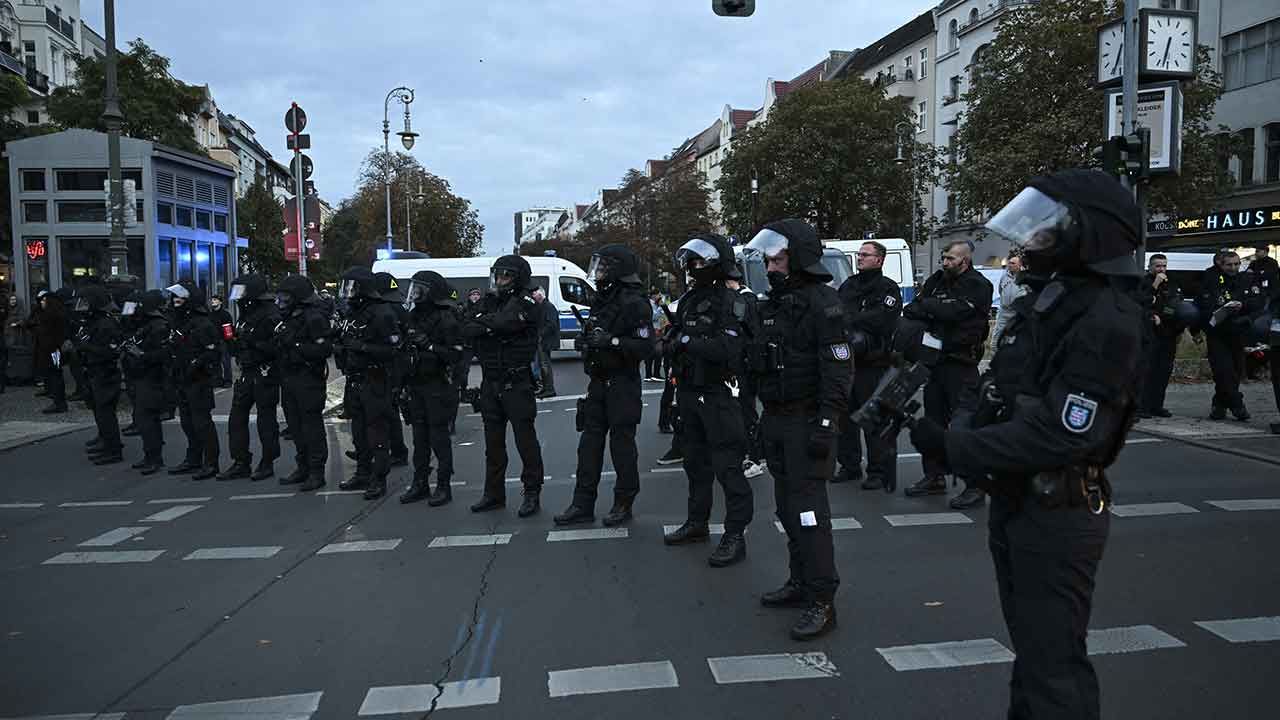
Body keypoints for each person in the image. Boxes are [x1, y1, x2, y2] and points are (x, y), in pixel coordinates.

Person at [909, 169, 1143, 720]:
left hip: (1057, 510)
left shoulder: (1106, 317)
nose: (1028, 241)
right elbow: (1000, 389)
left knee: (1053, 667)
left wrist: (953, 449)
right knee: (1033, 658)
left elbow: (1063, 432)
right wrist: (964, 425)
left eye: (1043, 228)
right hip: (1020, 501)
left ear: (1083, 235)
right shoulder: (1053, 302)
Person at [746, 220, 852, 640]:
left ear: (800, 259)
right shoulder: (774, 306)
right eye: (768, 258)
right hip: (777, 418)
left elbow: (838, 370)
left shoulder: (824, 304)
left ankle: (823, 600)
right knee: (788, 510)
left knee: (810, 515)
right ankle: (799, 581)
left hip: (807, 420)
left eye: (779, 258)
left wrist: (827, 424)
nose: (771, 266)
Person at [661, 233, 753, 567]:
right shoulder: (688, 300)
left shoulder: (734, 302)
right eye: (691, 262)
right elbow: (675, 337)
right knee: (695, 464)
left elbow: (728, 350)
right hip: (689, 391)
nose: (692, 267)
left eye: (699, 262)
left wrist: (687, 340)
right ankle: (697, 523)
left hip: (718, 393)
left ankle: (734, 535)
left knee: (728, 467)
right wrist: (673, 342)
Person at [554, 244, 654, 527]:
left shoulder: (635, 303)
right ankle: (582, 503)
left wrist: (612, 342)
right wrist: (584, 343)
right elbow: (594, 334)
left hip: (622, 383)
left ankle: (623, 502)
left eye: (603, 266)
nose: (597, 272)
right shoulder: (602, 299)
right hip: (597, 383)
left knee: (622, 448)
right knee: (588, 447)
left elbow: (646, 346)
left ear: (618, 269)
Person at [902, 240, 993, 509]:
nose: (945, 262)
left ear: (964, 261)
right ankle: (934, 475)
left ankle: (976, 485)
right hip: (935, 362)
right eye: (944, 258)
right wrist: (938, 308)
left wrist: (934, 309)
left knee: (965, 425)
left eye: (951, 259)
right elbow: (913, 308)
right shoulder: (937, 280)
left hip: (961, 363)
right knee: (933, 421)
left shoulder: (978, 284)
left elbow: (958, 312)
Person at [461, 255, 545, 518]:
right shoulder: (491, 300)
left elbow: (506, 323)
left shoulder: (528, 302)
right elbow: (465, 324)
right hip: (491, 382)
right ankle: (493, 493)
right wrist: (488, 325)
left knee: (525, 442)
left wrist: (486, 325)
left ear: (518, 277)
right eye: (497, 275)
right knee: (493, 444)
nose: (499, 281)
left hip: (516, 382)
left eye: (505, 276)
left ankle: (532, 493)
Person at [835, 240, 902, 490]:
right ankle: (850, 465)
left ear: (879, 259)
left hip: (874, 363)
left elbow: (882, 321)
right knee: (844, 418)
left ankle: (877, 470)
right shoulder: (850, 285)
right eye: (859, 254)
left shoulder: (888, 288)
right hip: (847, 361)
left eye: (865, 254)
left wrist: (853, 319)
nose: (860, 258)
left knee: (872, 418)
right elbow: (835, 313)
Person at [335, 267, 402, 500]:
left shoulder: (382, 313)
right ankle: (363, 472)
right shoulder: (352, 313)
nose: (347, 293)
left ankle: (379, 478)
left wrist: (363, 348)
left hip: (375, 379)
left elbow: (393, 349)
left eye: (351, 287)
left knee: (377, 432)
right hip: (354, 379)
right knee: (358, 432)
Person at [399, 271, 462, 506]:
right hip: (416, 384)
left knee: (439, 437)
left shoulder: (446, 318)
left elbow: (456, 355)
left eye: (419, 289)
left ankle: (443, 485)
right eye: (413, 288)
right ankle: (420, 482)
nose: (414, 293)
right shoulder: (413, 316)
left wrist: (431, 345)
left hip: (437, 384)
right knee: (419, 438)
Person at [218, 275, 282, 481]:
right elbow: (239, 342)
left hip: (264, 372)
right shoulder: (245, 314)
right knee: (236, 419)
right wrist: (233, 342)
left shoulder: (271, 315)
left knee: (266, 420)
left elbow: (277, 347)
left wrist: (253, 343)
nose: (237, 298)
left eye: (241, 293)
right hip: (247, 372)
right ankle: (240, 461)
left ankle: (267, 462)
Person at [275, 275, 332, 492]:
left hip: (308, 378)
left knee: (311, 426)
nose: (281, 303)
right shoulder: (288, 318)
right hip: (289, 378)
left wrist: (296, 345)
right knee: (295, 426)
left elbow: (323, 350)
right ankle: (303, 466)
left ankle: (317, 471)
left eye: (286, 298)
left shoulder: (314, 318)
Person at [1197, 250, 1266, 420]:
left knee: (1234, 373)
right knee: (1223, 371)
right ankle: (1238, 405)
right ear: (1221, 264)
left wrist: (1242, 306)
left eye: (1236, 264)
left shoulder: (1246, 279)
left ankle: (1218, 406)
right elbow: (1204, 304)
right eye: (1229, 264)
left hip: (1239, 332)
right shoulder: (1210, 279)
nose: (1234, 267)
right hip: (1218, 332)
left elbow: (1258, 301)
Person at [165, 282, 222, 480]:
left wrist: (195, 365)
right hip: (182, 378)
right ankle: (194, 458)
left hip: (198, 379)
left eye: (179, 299)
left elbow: (213, 352)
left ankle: (211, 462)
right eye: (174, 299)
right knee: (187, 422)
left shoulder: (202, 323)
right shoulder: (179, 321)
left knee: (201, 422)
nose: (174, 302)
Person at [124, 290, 172, 474]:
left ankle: (155, 457)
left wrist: (141, 355)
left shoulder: (158, 326)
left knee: (147, 419)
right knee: (145, 419)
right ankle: (150, 455)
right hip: (143, 376)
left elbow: (163, 355)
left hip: (153, 378)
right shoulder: (146, 324)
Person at [77, 285, 125, 465]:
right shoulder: (93, 321)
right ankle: (106, 442)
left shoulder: (106, 323)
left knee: (106, 413)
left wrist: (85, 347)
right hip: (95, 371)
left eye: (85, 302)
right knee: (99, 410)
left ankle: (113, 449)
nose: (81, 306)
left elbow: (111, 352)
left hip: (105, 373)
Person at [725, 270, 765, 479]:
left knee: (746, 411)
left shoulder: (745, 300)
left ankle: (754, 457)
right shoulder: (747, 298)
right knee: (742, 410)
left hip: (745, 364)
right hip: (742, 363)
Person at [1137, 254, 1182, 418]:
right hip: (1149, 333)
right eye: (1157, 266)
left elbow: (1174, 305)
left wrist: (1165, 315)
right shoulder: (1143, 282)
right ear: (1150, 266)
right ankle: (1141, 406)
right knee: (1147, 370)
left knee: (1163, 371)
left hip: (1167, 332)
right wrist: (1154, 286)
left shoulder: (1171, 284)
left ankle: (1157, 405)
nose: (1161, 269)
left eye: (1164, 266)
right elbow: (1141, 302)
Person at [375, 272, 410, 468]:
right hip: (397, 364)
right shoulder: (398, 307)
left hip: (392, 365)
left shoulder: (388, 310)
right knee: (388, 409)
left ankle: (395, 450)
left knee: (387, 410)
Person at [32, 290, 68, 413]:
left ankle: (59, 402)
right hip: (53, 350)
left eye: (43, 301)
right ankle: (58, 401)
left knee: (55, 374)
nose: (42, 303)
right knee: (55, 374)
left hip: (53, 350)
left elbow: (50, 335)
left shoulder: (52, 316)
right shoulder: (53, 314)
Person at [990, 250, 1028, 348]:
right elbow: (1000, 290)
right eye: (1009, 263)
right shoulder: (1004, 277)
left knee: (1015, 340)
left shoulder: (1025, 277)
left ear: (1020, 265)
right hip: (1004, 312)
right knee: (996, 340)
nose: (1009, 265)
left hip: (1018, 313)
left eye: (1013, 263)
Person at [531, 286, 560, 398]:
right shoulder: (541, 306)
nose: (533, 296)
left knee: (545, 365)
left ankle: (550, 389)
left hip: (545, 341)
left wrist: (540, 334)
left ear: (540, 295)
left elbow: (551, 324)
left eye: (534, 294)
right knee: (542, 365)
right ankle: (545, 388)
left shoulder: (548, 306)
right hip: (542, 340)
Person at [210, 294, 234, 388]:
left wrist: (229, 341)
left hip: (223, 341)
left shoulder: (225, 314)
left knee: (225, 362)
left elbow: (228, 329)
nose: (212, 301)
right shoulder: (210, 314)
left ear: (220, 302)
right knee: (216, 362)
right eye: (212, 300)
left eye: (215, 300)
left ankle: (228, 380)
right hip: (214, 341)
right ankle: (218, 380)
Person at [646, 290, 666, 381]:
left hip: (658, 331)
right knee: (655, 352)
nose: (660, 296)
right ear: (654, 295)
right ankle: (650, 375)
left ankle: (654, 374)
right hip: (652, 331)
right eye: (659, 294)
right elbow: (653, 317)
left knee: (657, 352)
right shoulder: (649, 304)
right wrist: (660, 308)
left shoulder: (657, 304)